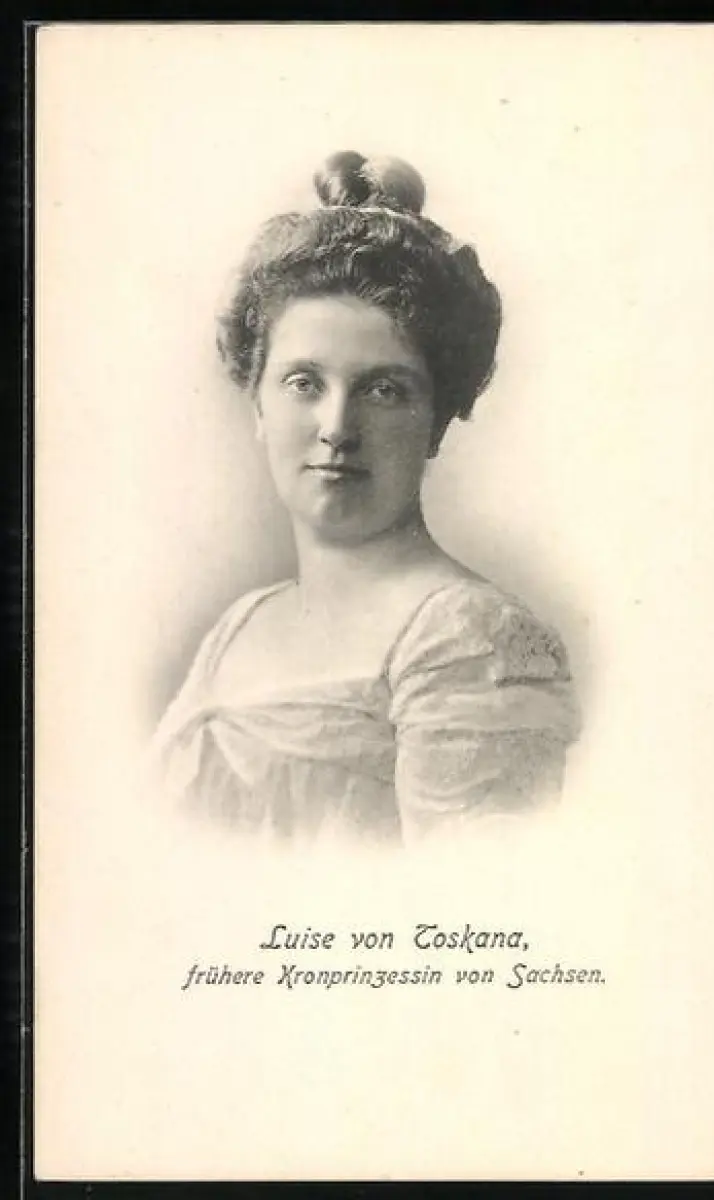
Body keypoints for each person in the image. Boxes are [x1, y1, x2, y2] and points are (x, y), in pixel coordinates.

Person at [150, 151, 580, 849]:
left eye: (384, 389)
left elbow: (483, 899)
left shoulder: (473, 639)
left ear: (435, 421)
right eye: (303, 383)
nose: (337, 428)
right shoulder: (244, 623)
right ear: (258, 405)